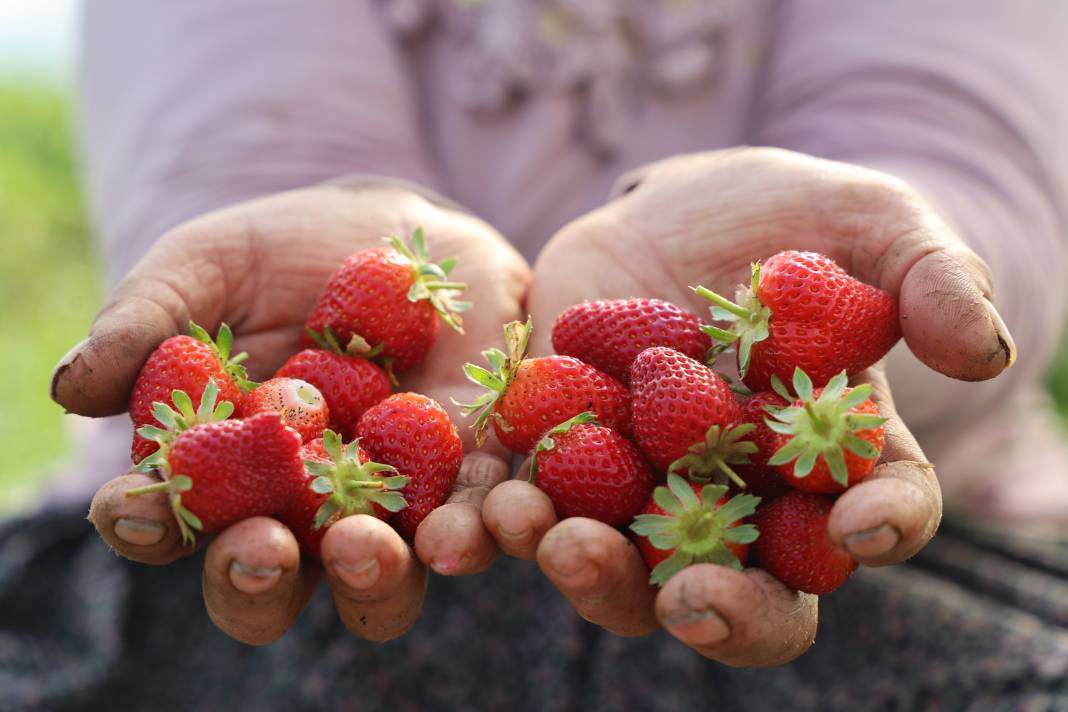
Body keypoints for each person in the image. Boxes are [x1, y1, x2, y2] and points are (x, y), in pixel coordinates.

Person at [3, 1, 1067, 709]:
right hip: (257, 538)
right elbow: (238, 152)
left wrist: (843, 315)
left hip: (889, 532)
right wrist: (338, 237)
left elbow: (977, 175)